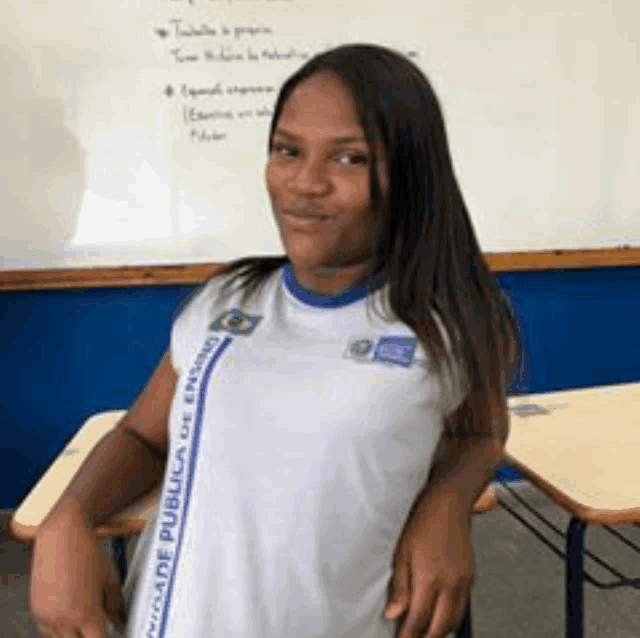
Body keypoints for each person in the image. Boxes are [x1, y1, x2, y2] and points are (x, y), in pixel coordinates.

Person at [29, 43, 521, 638]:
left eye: (350, 159)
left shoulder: (447, 326)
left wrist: (448, 505)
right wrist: (68, 520)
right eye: (287, 151)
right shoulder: (226, 302)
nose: (305, 183)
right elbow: (142, 435)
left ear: (412, 177)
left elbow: (481, 431)